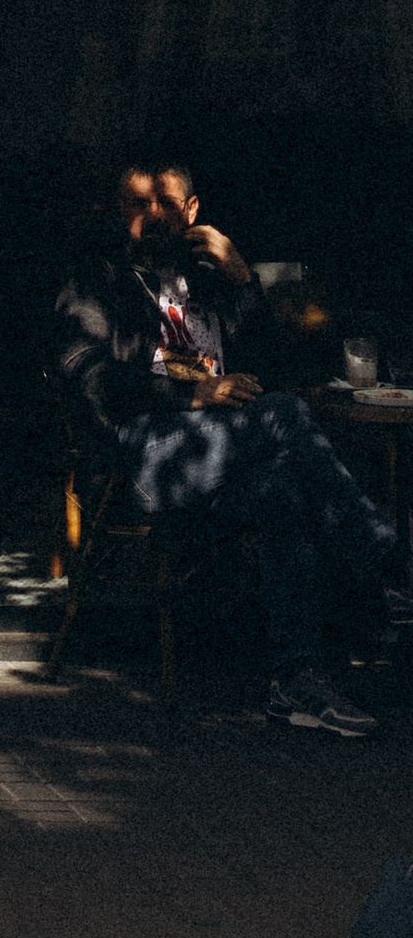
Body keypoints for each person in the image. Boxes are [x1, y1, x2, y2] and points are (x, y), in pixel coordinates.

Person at [56, 160, 401, 735]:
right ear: (120, 213)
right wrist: (191, 392)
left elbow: (277, 370)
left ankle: (296, 680)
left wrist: (243, 279)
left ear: (193, 211)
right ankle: (386, 561)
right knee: (285, 417)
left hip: (231, 452)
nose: (154, 216)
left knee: (281, 488)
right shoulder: (98, 280)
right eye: (139, 204)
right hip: (146, 458)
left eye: (167, 203)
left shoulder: (212, 279)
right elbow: (83, 373)